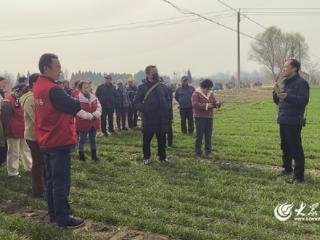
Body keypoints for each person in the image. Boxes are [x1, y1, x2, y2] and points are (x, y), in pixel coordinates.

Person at [34, 53, 93, 228]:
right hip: (58, 140)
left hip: (46, 139)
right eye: (58, 66)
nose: (60, 70)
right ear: (46, 68)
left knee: (51, 180)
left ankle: (53, 214)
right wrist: (74, 99)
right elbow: (74, 105)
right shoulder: (54, 89)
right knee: (61, 182)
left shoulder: (38, 86)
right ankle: (63, 218)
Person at [273, 59, 309, 184]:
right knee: (285, 146)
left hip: (294, 120)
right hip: (283, 118)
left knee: (295, 148)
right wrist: (275, 92)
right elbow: (279, 101)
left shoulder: (301, 83)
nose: (284, 69)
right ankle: (287, 169)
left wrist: (287, 96)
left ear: (294, 68)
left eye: (286, 67)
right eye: (283, 67)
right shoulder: (283, 82)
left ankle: (299, 177)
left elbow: (303, 101)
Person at [134, 65, 172, 165]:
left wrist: (168, 114)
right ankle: (146, 157)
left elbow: (168, 101)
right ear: (148, 74)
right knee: (147, 139)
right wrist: (145, 109)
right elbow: (136, 102)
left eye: (156, 71)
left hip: (161, 118)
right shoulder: (142, 87)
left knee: (162, 139)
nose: (156, 74)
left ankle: (162, 157)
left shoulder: (163, 87)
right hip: (149, 118)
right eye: (153, 72)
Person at [20, 73, 45, 198]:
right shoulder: (30, 99)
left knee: (42, 162)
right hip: (33, 136)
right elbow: (37, 119)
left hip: (39, 135)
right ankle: (38, 190)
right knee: (38, 163)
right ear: (34, 84)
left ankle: (42, 187)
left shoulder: (35, 96)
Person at [5, 77, 33, 177]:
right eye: (23, 91)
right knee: (14, 152)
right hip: (12, 131)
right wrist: (7, 131)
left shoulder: (23, 99)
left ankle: (29, 167)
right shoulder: (8, 100)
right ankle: (13, 172)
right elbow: (5, 118)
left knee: (26, 150)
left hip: (23, 130)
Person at [192, 79, 221, 158]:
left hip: (209, 117)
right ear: (203, 88)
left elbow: (213, 102)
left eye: (210, 89)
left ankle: (208, 151)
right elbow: (195, 104)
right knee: (200, 135)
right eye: (208, 89)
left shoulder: (210, 94)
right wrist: (207, 106)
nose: (209, 90)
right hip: (199, 117)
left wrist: (217, 103)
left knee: (208, 135)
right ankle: (198, 152)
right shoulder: (196, 94)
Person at [75, 80, 101, 161]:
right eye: (84, 88)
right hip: (83, 122)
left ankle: (94, 156)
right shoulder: (77, 99)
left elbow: (99, 107)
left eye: (88, 87)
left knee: (93, 139)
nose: (87, 89)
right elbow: (77, 110)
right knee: (82, 140)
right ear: (80, 89)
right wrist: (88, 116)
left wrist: (96, 114)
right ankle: (81, 157)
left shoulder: (94, 97)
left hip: (93, 122)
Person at [0, 76, 8, 166]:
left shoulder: (2, 93)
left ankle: (3, 160)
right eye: (3, 82)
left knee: (3, 139)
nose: (5, 85)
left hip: (3, 118)